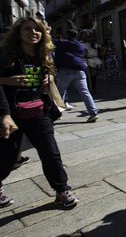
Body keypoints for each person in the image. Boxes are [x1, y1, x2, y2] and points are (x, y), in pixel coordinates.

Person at [0, 17, 79, 208]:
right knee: (6, 157)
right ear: (18, 32)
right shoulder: (6, 56)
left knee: (50, 152)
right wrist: (4, 84)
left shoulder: (43, 54)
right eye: (27, 29)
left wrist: (49, 76)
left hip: (38, 111)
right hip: (12, 113)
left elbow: (53, 71)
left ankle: (62, 190)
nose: (33, 33)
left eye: (37, 30)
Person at [53, 29, 99, 122]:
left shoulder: (61, 42)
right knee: (85, 92)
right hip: (79, 71)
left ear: (66, 35)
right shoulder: (81, 46)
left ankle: (57, 113)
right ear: (77, 36)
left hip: (65, 71)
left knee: (59, 94)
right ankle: (93, 112)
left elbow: (48, 40)